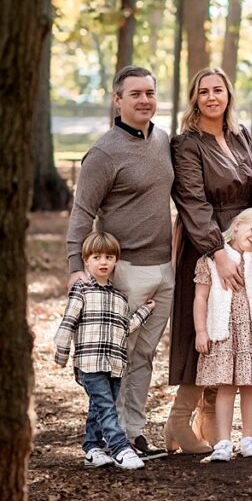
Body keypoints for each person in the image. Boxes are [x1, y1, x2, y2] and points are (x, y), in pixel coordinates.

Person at [65, 65, 173, 460]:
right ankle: (102, 440)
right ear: (117, 100)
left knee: (142, 356)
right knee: (113, 361)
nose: (144, 100)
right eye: (135, 94)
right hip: (124, 271)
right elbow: (81, 213)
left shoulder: (162, 140)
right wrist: (77, 266)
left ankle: (132, 432)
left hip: (165, 269)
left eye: (150, 92)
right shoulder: (104, 152)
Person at [166, 68, 252, 455]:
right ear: (194, 98)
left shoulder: (241, 135)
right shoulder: (186, 143)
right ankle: (177, 421)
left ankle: (208, 417)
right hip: (205, 244)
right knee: (200, 327)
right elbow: (192, 200)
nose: (211, 97)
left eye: (217, 90)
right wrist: (217, 251)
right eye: (203, 91)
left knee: (235, 328)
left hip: (244, 245)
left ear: (228, 94)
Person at [54, 231, 156, 471]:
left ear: (115, 261)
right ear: (86, 260)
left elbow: (126, 327)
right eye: (97, 257)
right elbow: (68, 321)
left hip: (114, 363)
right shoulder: (82, 291)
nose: (103, 262)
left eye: (109, 257)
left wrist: (144, 311)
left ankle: (92, 448)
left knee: (99, 406)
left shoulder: (119, 298)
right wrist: (61, 353)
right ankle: (120, 448)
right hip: (89, 362)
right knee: (107, 406)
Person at [193, 208, 252, 462]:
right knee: (226, 387)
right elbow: (200, 297)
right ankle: (223, 442)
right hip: (223, 333)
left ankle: (249, 439)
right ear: (238, 225)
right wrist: (201, 331)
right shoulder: (210, 261)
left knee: (250, 386)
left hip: (251, 335)